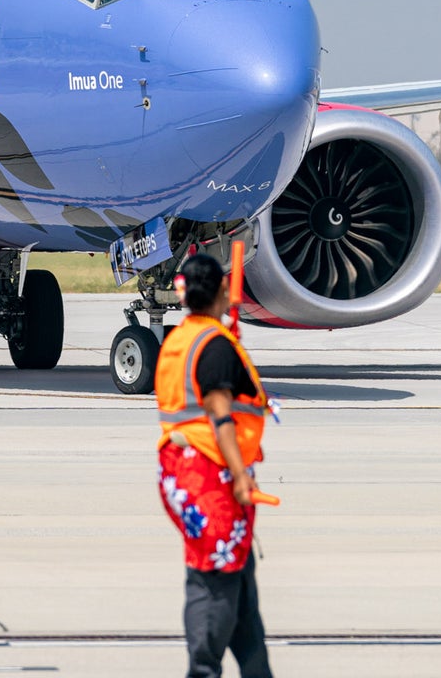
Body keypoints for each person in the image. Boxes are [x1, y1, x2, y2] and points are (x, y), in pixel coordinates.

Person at [155, 253, 273, 677]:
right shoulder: (214, 345)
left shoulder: (182, 338)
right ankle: (202, 670)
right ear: (222, 291)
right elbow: (219, 413)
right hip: (212, 475)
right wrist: (241, 476)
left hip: (185, 469)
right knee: (216, 581)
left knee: (238, 583)